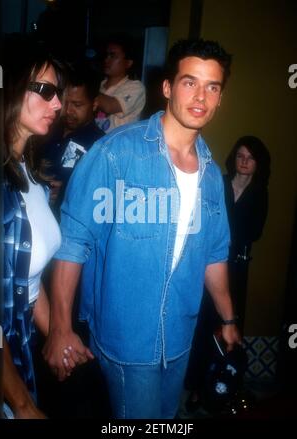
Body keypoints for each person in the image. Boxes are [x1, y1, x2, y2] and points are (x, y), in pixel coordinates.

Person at [43, 38, 241, 419]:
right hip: (125, 342)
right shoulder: (115, 153)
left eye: (212, 87)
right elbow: (73, 242)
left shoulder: (212, 176)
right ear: (167, 88)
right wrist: (59, 328)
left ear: (219, 97)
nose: (201, 96)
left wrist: (229, 319)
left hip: (180, 337)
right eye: (189, 82)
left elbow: (214, 254)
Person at [2, 37, 64, 418]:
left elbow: (29, 279)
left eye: (58, 93)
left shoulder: (28, 171)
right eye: (44, 90)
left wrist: (59, 334)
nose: (56, 104)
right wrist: (21, 404)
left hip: (20, 342)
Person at [39, 64, 104, 219]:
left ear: (94, 104)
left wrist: (66, 190)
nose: (67, 111)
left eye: (77, 105)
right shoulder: (44, 127)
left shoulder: (100, 145)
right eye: (65, 102)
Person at [224, 136, 271, 332]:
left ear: (258, 162)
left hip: (237, 263)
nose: (244, 161)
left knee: (232, 314)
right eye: (240, 156)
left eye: (250, 157)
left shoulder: (259, 192)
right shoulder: (220, 183)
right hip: (211, 259)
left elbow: (255, 233)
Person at [94, 34, 146, 133]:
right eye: (106, 55)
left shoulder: (136, 87)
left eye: (112, 56)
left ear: (128, 63)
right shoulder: (100, 84)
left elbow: (110, 106)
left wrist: (86, 91)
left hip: (120, 146)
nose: (106, 60)